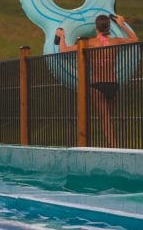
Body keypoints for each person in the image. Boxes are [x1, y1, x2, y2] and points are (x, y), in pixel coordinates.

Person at [56, 13, 138, 146]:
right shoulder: (115, 41)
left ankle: (112, 146)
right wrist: (122, 24)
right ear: (109, 27)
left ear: (96, 27)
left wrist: (62, 36)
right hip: (113, 85)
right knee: (108, 118)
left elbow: (63, 50)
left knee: (102, 118)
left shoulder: (89, 43)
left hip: (98, 86)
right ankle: (113, 145)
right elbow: (135, 39)